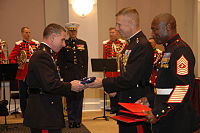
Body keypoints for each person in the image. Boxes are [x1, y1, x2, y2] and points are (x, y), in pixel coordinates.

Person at [87, 8, 154, 133]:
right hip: (127, 100)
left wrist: (103, 82)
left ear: (131, 22)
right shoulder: (132, 44)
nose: (116, 29)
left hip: (136, 102)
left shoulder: (141, 45)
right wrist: (117, 91)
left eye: (119, 24)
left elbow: (131, 78)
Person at [136, 13, 200, 133]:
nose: (152, 34)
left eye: (155, 29)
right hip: (167, 117)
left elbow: (182, 88)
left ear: (168, 27)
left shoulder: (180, 50)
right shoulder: (168, 50)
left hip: (176, 119)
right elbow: (165, 87)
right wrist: (150, 99)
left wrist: (159, 113)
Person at [23, 23, 85, 133]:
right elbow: (50, 84)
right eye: (62, 40)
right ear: (52, 38)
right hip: (44, 112)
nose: (64, 44)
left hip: (46, 109)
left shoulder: (45, 54)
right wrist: (71, 86)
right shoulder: (42, 55)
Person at [57, 22, 88, 128]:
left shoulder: (82, 43)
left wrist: (85, 76)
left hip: (80, 74)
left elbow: (85, 61)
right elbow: (60, 61)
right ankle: (71, 120)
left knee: (79, 97)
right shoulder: (64, 43)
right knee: (70, 97)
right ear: (68, 32)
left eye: (75, 31)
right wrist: (62, 75)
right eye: (71, 31)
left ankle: (78, 120)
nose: (73, 33)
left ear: (77, 31)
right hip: (68, 75)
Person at [9, 27, 39, 117]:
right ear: (22, 33)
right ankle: (25, 113)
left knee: (34, 93)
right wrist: (18, 65)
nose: (28, 34)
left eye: (29, 32)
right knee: (23, 94)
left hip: (34, 72)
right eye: (26, 32)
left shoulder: (35, 44)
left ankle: (34, 112)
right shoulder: (19, 44)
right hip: (23, 73)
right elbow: (11, 58)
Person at [103, 27, 127, 114]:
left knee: (119, 89)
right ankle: (113, 107)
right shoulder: (106, 44)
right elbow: (105, 58)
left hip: (119, 69)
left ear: (117, 33)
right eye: (110, 33)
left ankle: (119, 107)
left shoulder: (122, 43)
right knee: (111, 87)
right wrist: (105, 71)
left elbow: (125, 57)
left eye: (113, 32)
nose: (111, 34)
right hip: (110, 70)